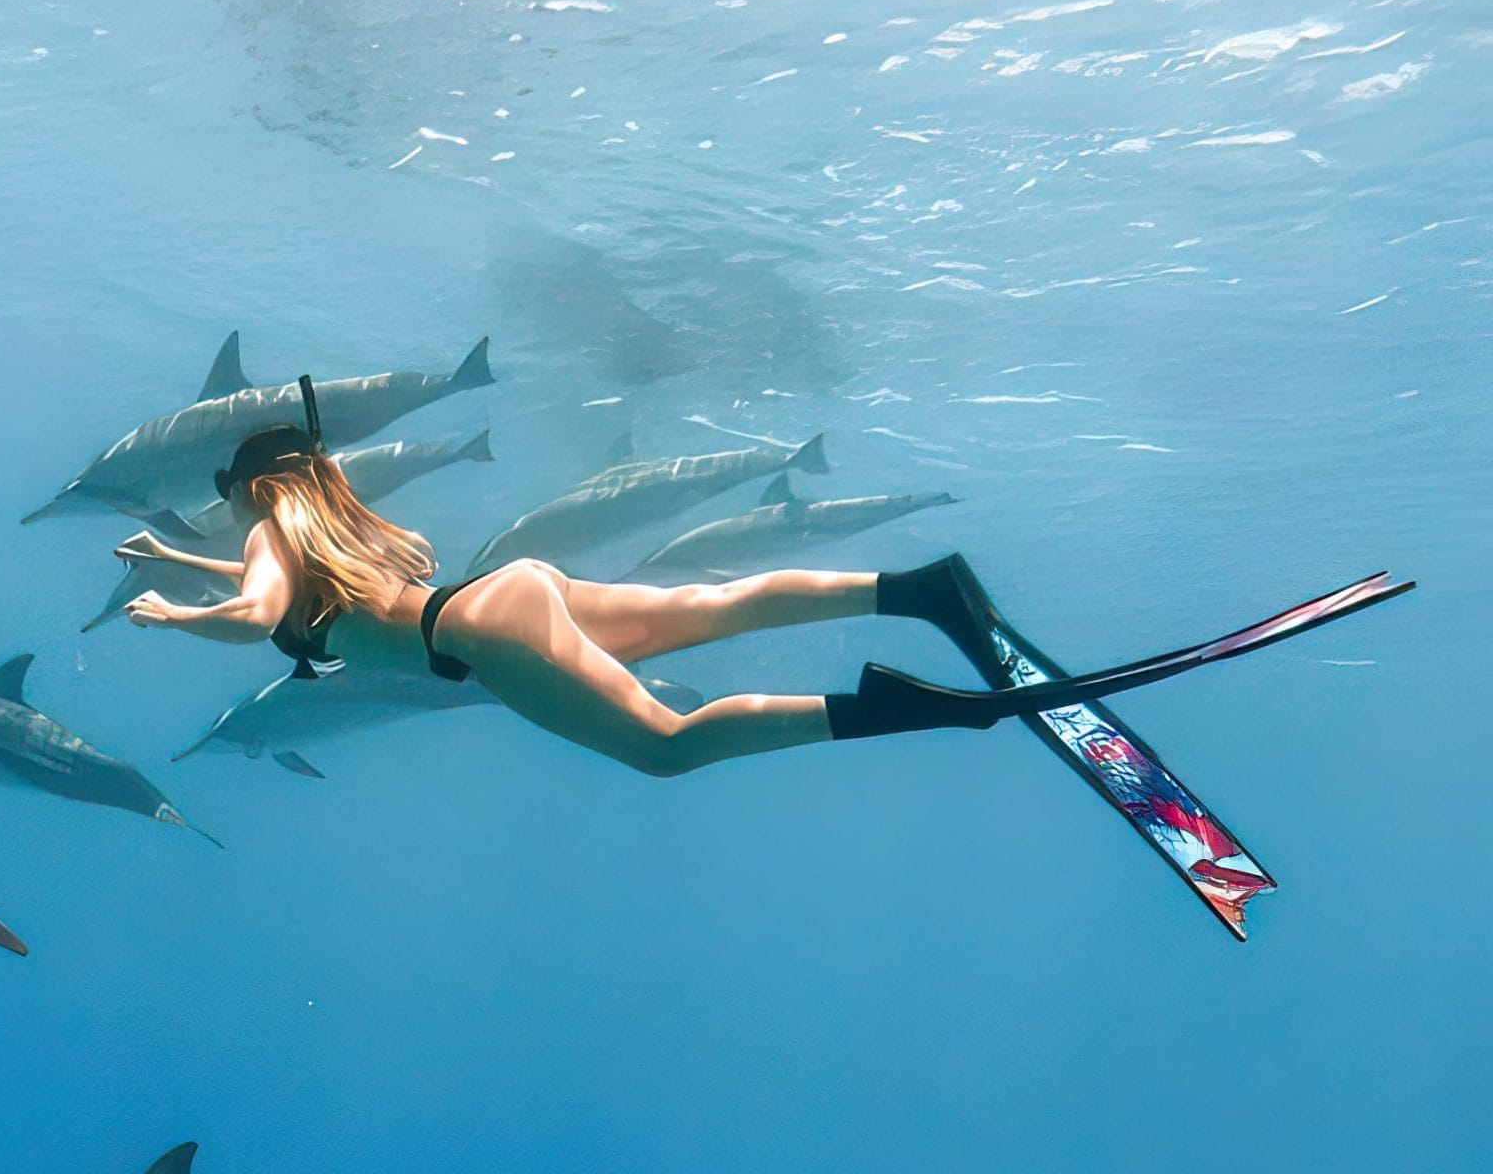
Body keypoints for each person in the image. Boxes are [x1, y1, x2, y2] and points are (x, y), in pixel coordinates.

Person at [118, 379, 1408, 779]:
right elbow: (285, 578)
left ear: (248, 487)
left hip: (484, 651)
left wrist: (182, 610)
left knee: (671, 750)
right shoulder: (326, 517)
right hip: (505, 593)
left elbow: (258, 611)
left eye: (224, 503)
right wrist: (188, 561)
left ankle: (911, 706)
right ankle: (923, 588)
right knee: (710, 606)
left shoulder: (268, 536)